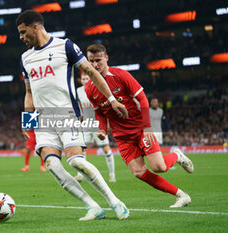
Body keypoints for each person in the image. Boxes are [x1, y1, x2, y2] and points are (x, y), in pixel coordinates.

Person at [17, 10, 130, 221]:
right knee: (51, 164)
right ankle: (93, 207)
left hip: (67, 115)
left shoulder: (65, 46)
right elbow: (29, 92)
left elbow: (92, 73)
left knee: (76, 162)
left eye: (23, 32)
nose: (21, 37)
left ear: (35, 27)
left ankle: (115, 201)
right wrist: (27, 120)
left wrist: (112, 99)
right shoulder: (25, 58)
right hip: (43, 121)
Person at [84, 43, 194, 208]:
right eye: (90, 61)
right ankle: (180, 195)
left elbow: (142, 98)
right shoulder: (89, 88)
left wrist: (147, 126)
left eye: (98, 60)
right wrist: (101, 129)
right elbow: (99, 111)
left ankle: (176, 156)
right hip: (122, 136)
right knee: (138, 172)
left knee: (159, 167)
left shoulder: (121, 75)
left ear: (106, 58)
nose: (94, 65)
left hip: (140, 129)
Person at [74, 72, 116, 183]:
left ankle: (112, 175)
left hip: (98, 123)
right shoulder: (78, 91)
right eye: (83, 79)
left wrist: (106, 123)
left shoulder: (97, 88)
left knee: (106, 149)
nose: (85, 81)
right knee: (81, 149)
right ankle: (80, 175)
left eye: (87, 78)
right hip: (86, 123)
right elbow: (80, 107)